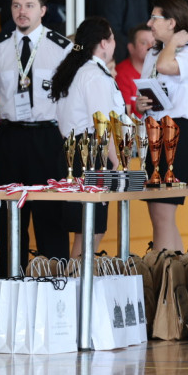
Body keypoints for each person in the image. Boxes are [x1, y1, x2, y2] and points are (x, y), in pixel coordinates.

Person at [0, 0, 72, 275]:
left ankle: (55, 288)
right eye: (16, 6)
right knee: (10, 217)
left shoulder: (62, 48)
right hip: (11, 138)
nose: (22, 12)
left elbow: (70, 98)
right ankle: (11, 285)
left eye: (29, 6)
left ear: (43, 10)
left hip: (48, 137)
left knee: (50, 216)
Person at [134, 0, 188, 252]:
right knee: (159, 215)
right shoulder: (153, 53)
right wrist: (141, 104)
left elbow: (166, 67)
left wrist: (174, 42)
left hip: (178, 133)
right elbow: (150, 89)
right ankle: (172, 274)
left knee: (163, 214)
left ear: (172, 22)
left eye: (155, 18)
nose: (149, 23)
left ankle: (161, 276)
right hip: (154, 132)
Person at [50, 17, 124, 258]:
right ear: (103, 43)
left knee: (87, 230)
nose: (114, 43)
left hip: (76, 152)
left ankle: (78, 287)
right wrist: (117, 162)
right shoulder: (93, 75)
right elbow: (103, 123)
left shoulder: (77, 70)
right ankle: (79, 288)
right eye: (112, 38)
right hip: (90, 154)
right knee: (90, 229)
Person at [115, 23, 153, 115]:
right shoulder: (121, 73)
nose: (150, 47)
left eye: (153, 43)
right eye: (144, 43)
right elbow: (124, 117)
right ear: (131, 48)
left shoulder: (160, 69)